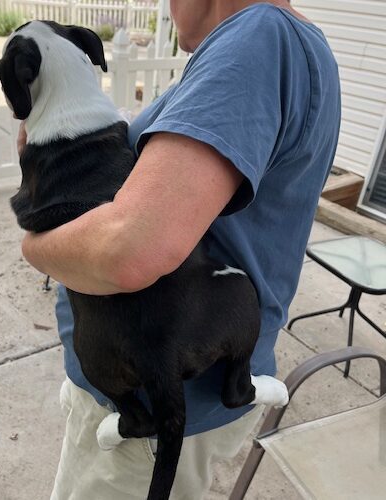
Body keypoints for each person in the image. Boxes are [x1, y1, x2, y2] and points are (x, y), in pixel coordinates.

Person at [19, 0, 341, 498]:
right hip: (175, 370)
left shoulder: (256, 42)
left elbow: (131, 252)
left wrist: (34, 246)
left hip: (156, 385)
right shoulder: (287, 44)